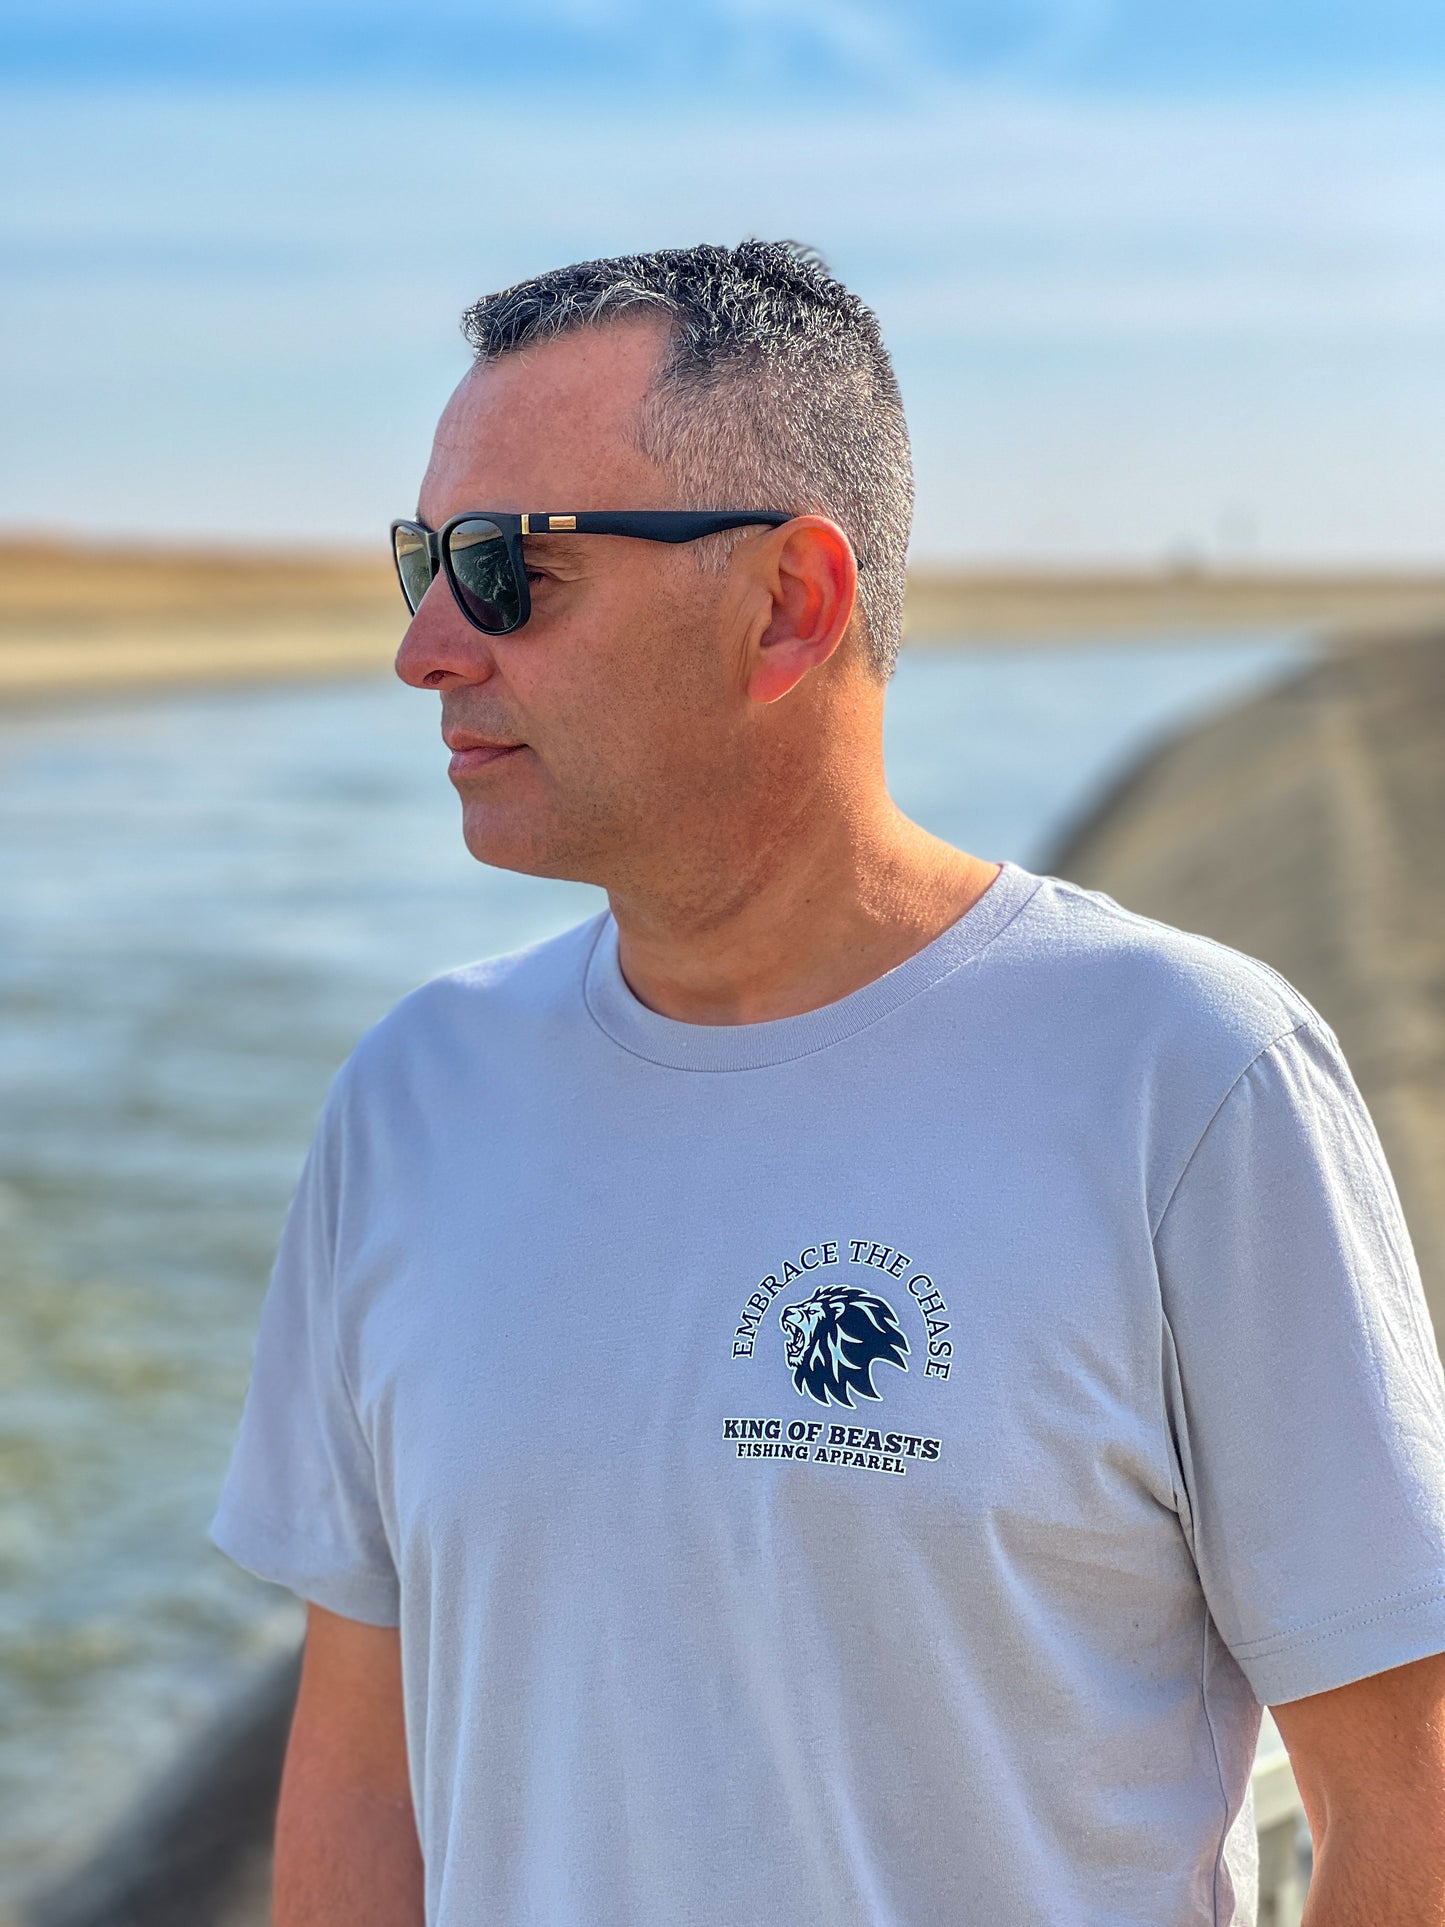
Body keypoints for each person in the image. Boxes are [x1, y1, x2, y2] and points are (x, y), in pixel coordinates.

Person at [208, 240, 1445, 1926]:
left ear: (789, 602)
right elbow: (360, 1768)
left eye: (505, 571)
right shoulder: (412, 1098)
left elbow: (1411, 1806)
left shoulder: (1184, 1078)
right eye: (420, 560)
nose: (427, 646)